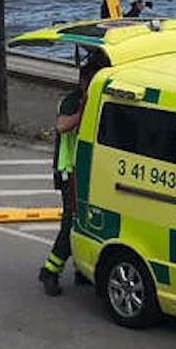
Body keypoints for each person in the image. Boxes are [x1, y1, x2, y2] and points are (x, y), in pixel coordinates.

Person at [38, 54, 105, 296]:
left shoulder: (97, 100)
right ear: (85, 82)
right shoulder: (72, 101)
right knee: (70, 224)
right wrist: (83, 111)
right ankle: (50, 270)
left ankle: (80, 269)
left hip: (86, 171)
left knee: (84, 222)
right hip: (69, 171)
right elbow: (62, 125)